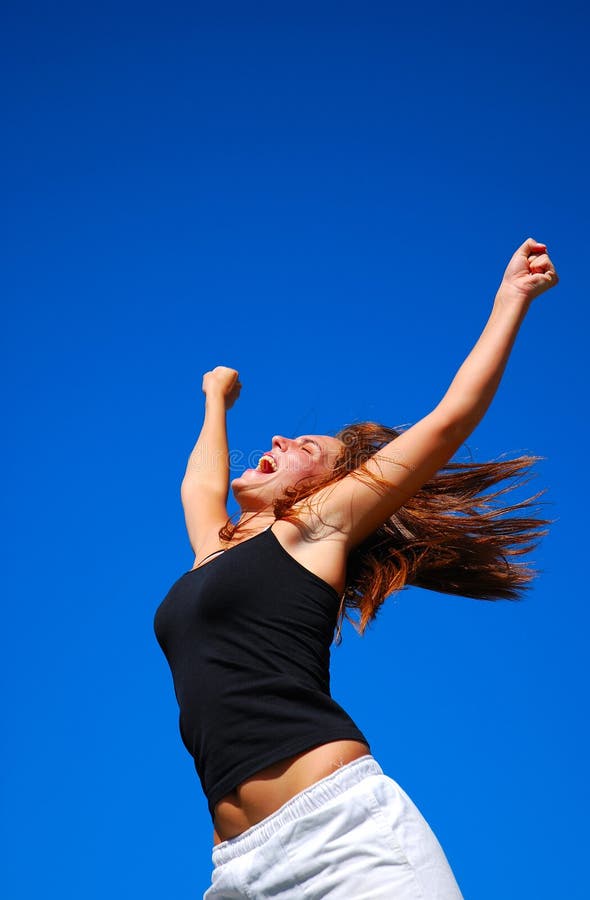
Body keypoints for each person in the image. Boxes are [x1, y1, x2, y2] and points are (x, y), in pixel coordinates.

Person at [154, 237, 558, 898]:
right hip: (238, 870)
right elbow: (197, 488)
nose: (280, 439)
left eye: (304, 447)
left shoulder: (320, 527)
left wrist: (510, 298)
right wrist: (215, 399)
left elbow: (450, 420)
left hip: (345, 840)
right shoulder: (213, 552)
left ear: (326, 490)